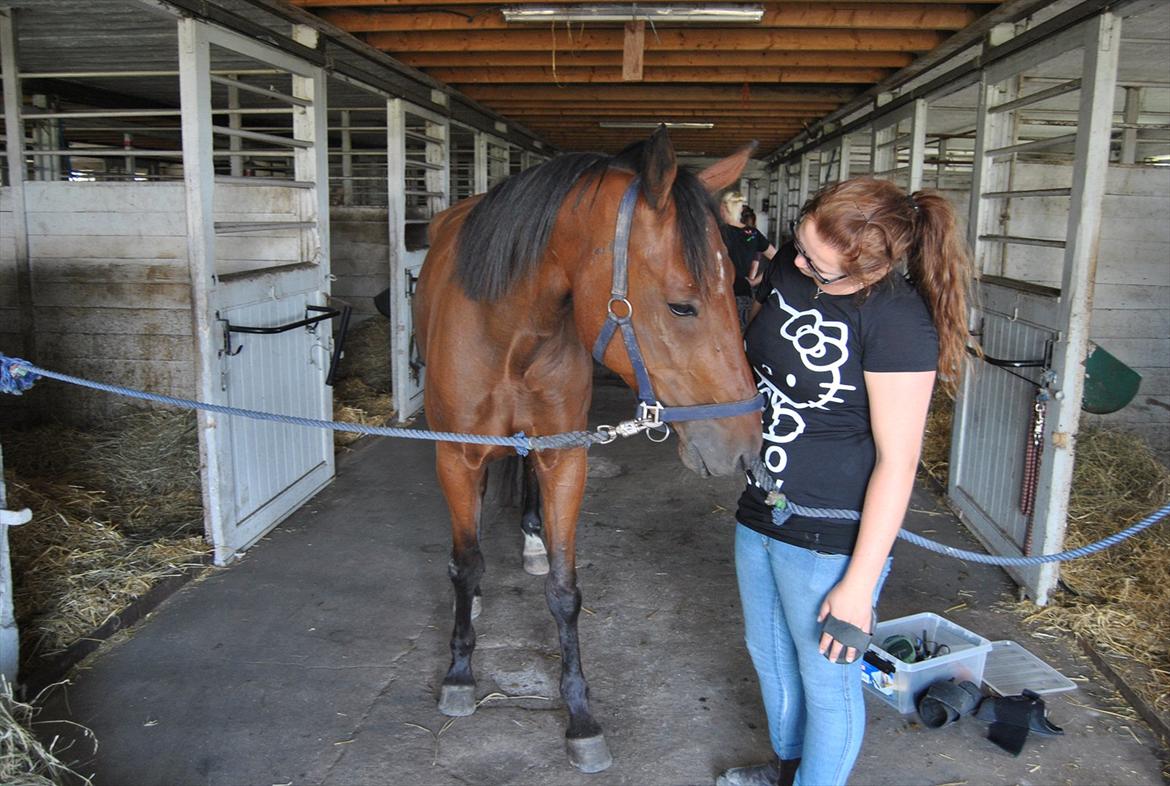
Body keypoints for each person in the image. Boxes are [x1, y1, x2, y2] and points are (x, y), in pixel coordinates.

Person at [717, 177, 974, 786]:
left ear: (871, 270)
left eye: (820, 266)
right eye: (799, 246)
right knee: (771, 658)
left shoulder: (898, 324)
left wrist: (859, 584)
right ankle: (789, 769)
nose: (800, 265)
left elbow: (898, 462)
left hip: (830, 533)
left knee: (826, 681)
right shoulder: (791, 270)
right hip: (762, 502)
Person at [719, 191, 777, 330]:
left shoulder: (717, 231)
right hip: (743, 291)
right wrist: (756, 281)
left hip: (719, 291)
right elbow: (777, 258)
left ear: (724, 208)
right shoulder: (752, 233)